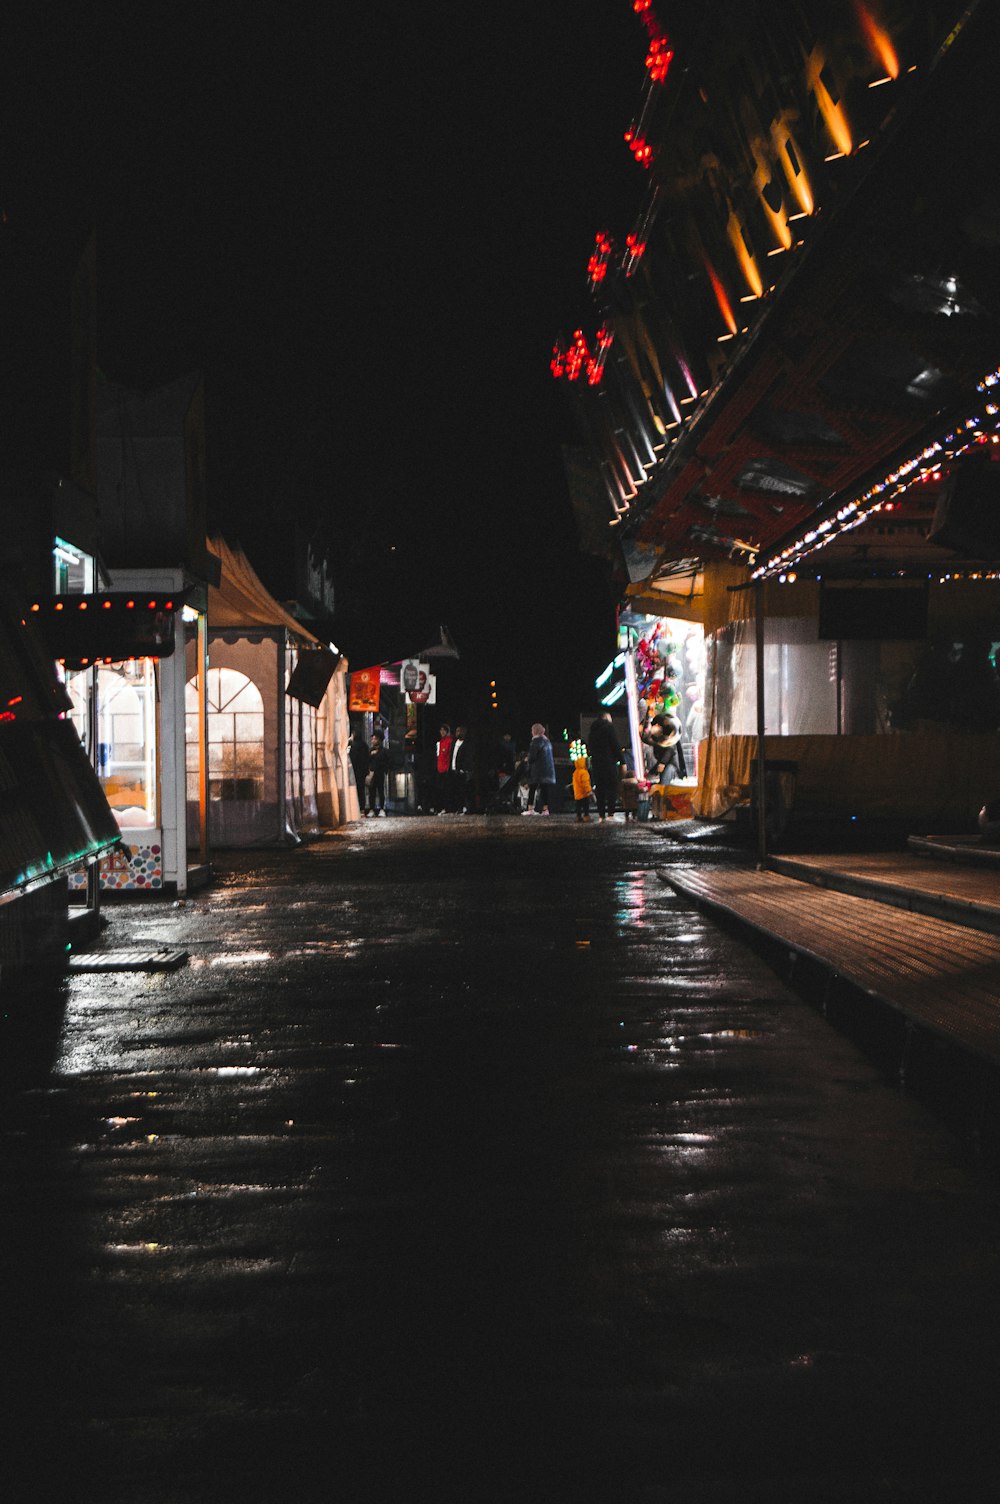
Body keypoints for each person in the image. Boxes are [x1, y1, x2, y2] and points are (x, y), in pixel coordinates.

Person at [587, 710, 622, 822]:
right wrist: (622, 760)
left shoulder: (592, 731)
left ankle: (601, 815)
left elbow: (590, 748)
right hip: (609, 762)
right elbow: (615, 744)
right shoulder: (609, 727)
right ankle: (610, 814)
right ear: (606, 717)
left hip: (596, 763)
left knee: (600, 788)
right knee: (612, 787)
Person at [523, 722, 555, 815]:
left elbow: (532, 757)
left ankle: (530, 808)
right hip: (547, 770)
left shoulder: (536, 741)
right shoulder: (547, 741)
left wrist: (527, 760)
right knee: (544, 789)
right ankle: (545, 810)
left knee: (532, 788)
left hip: (537, 770)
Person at [647, 713, 687, 785]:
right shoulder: (657, 736)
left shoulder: (667, 739)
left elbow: (670, 750)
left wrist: (662, 763)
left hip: (669, 763)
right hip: (667, 763)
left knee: (665, 783)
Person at [367, 732, 389, 816]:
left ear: (379, 740)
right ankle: (371, 809)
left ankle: (382, 808)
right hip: (372, 773)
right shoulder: (370, 751)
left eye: (375, 739)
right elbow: (366, 761)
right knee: (371, 792)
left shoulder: (384, 751)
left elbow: (387, 761)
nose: (373, 741)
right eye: (372, 739)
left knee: (380, 791)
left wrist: (384, 769)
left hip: (380, 773)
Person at [349, 729, 370, 811]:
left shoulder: (355, 746)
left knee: (357, 789)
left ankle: (358, 807)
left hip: (356, 772)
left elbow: (352, 759)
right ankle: (362, 807)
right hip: (363, 771)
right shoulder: (364, 745)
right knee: (361, 789)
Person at [435, 724, 453, 814]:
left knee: (447, 790)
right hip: (440, 769)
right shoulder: (440, 742)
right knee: (441, 790)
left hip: (446, 770)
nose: (442, 732)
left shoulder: (449, 741)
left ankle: (448, 808)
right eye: (440, 730)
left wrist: (448, 768)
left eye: (444, 730)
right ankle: (442, 807)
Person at [619, 747, 640, 822]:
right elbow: (638, 790)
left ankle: (627, 817)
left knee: (627, 809)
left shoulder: (623, 783)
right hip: (634, 801)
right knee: (634, 809)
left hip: (626, 801)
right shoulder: (634, 783)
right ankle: (634, 817)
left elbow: (621, 791)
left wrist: (621, 796)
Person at [571, 756, 593, 822]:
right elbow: (585, 783)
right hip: (584, 793)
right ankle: (586, 816)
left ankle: (578, 816)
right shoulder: (584, 772)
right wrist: (589, 791)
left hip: (577, 793)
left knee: (578, 806)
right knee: (586, 805)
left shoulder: (575, 772)